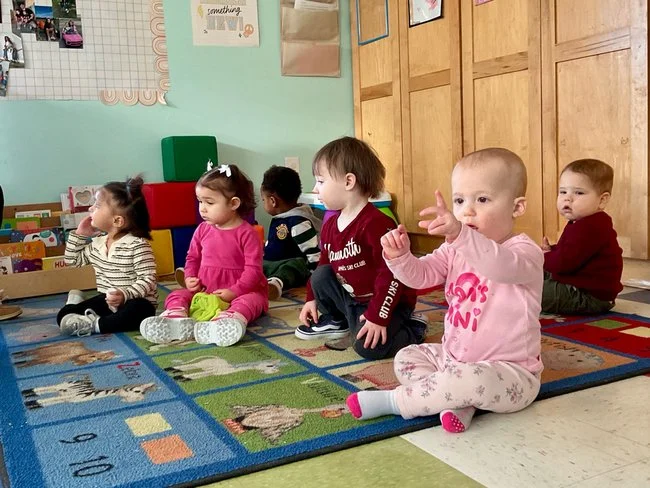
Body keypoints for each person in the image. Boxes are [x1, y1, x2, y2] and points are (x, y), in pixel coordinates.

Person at [346, 148, 544, 433]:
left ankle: (397, 401)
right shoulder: (454, 249)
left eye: (482, 199)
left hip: (511, 373)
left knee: (473, 379)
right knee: (407, 358)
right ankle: (457, 401)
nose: (467, 211)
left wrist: (461, 236)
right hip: (453, 361)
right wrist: (400, 257)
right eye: (460, 201)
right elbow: (421, 276)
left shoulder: (525, 252)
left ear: (517, 207)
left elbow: (498, 266)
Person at [295, 136, 426, 360]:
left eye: (321, 181)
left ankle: (413, 327)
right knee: (321, 274)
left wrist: (378, 317)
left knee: (367, 347)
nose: (315, 189)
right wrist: (311, 298)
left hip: (390, 302)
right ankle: (338, 320)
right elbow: (324, 262)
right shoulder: (331, 225)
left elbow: (392, 275)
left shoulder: (377, 224)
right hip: (354, 299)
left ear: (348, 182)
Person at [140, 163, 267, 347]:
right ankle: (176, 318)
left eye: (209, 202)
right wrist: (190, 277)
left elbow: (253, 271)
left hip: (241, 292)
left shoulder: (247, 233)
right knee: (176, 295)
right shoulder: (202, 229)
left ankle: (228, 321)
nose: (202, 208)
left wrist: (234, 291)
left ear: (233, 203)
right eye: (200, 201)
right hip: (206, 290)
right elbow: (192, 258)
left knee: (252, 301)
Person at [56, 176, 158, 336]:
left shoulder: (137, 245)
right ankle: (74, 302)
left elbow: (148, 280)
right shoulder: (97, 244)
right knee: (63, 315)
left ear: (117, 221)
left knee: (141, 310)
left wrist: (124, 294)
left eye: (97, 206)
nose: (90, 209)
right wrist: (79, 235)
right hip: (107, 301)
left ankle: (95, 325)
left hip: (133, 301)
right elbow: (73, 260)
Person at [542, 159, 623, 314]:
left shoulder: (592, 226)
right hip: (576, 285)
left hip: (588, 296)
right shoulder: (581, 222)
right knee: (530, 275)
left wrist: (543, 256)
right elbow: (570, 251)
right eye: (563, 192)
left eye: (578, 193)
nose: (567, 198)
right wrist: (552, 250)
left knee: (531, 291)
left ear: (602, 200)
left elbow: (564, 263)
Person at [261, 165, 321, 300]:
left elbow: (313, 252)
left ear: (273, 201)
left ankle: (275, 284)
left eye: (264, 200)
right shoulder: (280, 218)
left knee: (292, 267)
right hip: (271, 263)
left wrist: (314, 276)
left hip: (292, 265)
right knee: (256, 263)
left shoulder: (298, 222)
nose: (264, 203)